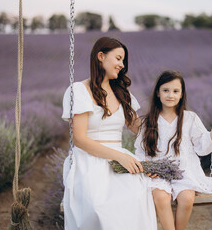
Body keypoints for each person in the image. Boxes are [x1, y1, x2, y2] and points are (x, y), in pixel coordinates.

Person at [61, 37, 157, 230]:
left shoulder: (122, 93)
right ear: (101, 56)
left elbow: (140, 128)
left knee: (137, 196)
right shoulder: (79, 91)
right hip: (88, 160)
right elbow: (79, 139)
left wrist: (171, 117)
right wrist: (120, 156)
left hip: (119, 159)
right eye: (119, 58)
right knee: (99, 206)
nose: (122, 65)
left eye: (124, 61)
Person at [135, 70, 212, 230]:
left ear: (181, 95)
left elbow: (203, 147)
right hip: (158, 173)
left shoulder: (189, 118)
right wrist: (146, 166)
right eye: (165, 90)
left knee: (187, 198)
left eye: (175, 91)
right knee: (160, 197)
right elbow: (140, 150)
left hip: (185, 171)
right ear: (158, 93)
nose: (170, 95)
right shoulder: (148, 121)